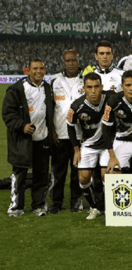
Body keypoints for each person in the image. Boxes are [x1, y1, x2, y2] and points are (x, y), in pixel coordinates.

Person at [3, 59, 54, 217]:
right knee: (20, 175)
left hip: (42, 139)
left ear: (45, 70)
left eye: (41, 68)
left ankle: (38, 205)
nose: (38, 71)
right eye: (35, 68)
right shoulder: (17, 89)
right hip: (22, 140)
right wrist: (22, 126)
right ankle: (16, 207)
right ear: (28, 70)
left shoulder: (47, 88)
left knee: (41, 175)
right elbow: (8, 114)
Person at [67, 72, 114, 220]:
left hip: (108, 146)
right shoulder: (76, 106)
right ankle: (94, 207)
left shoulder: (111, 98)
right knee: (84, 178)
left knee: (107, 176)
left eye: (96, 87)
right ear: (84, 88)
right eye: (89, 87)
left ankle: (109, 208)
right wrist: (76, 150)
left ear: (102, 87)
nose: (93, 91)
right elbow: (70, 126)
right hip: (88, 145)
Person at [49, 49, 84, 214]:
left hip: (80, 135)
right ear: (63, 62)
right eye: (67, 61)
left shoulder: (85, 79)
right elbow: (49, 108)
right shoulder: (54, 80)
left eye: (73, 60)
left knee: (78, 172)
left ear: (78, 61)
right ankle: (56, 202)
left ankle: (76, 202)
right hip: (60, 134)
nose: (70, 63)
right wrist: (52, 129)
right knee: (58, 172)